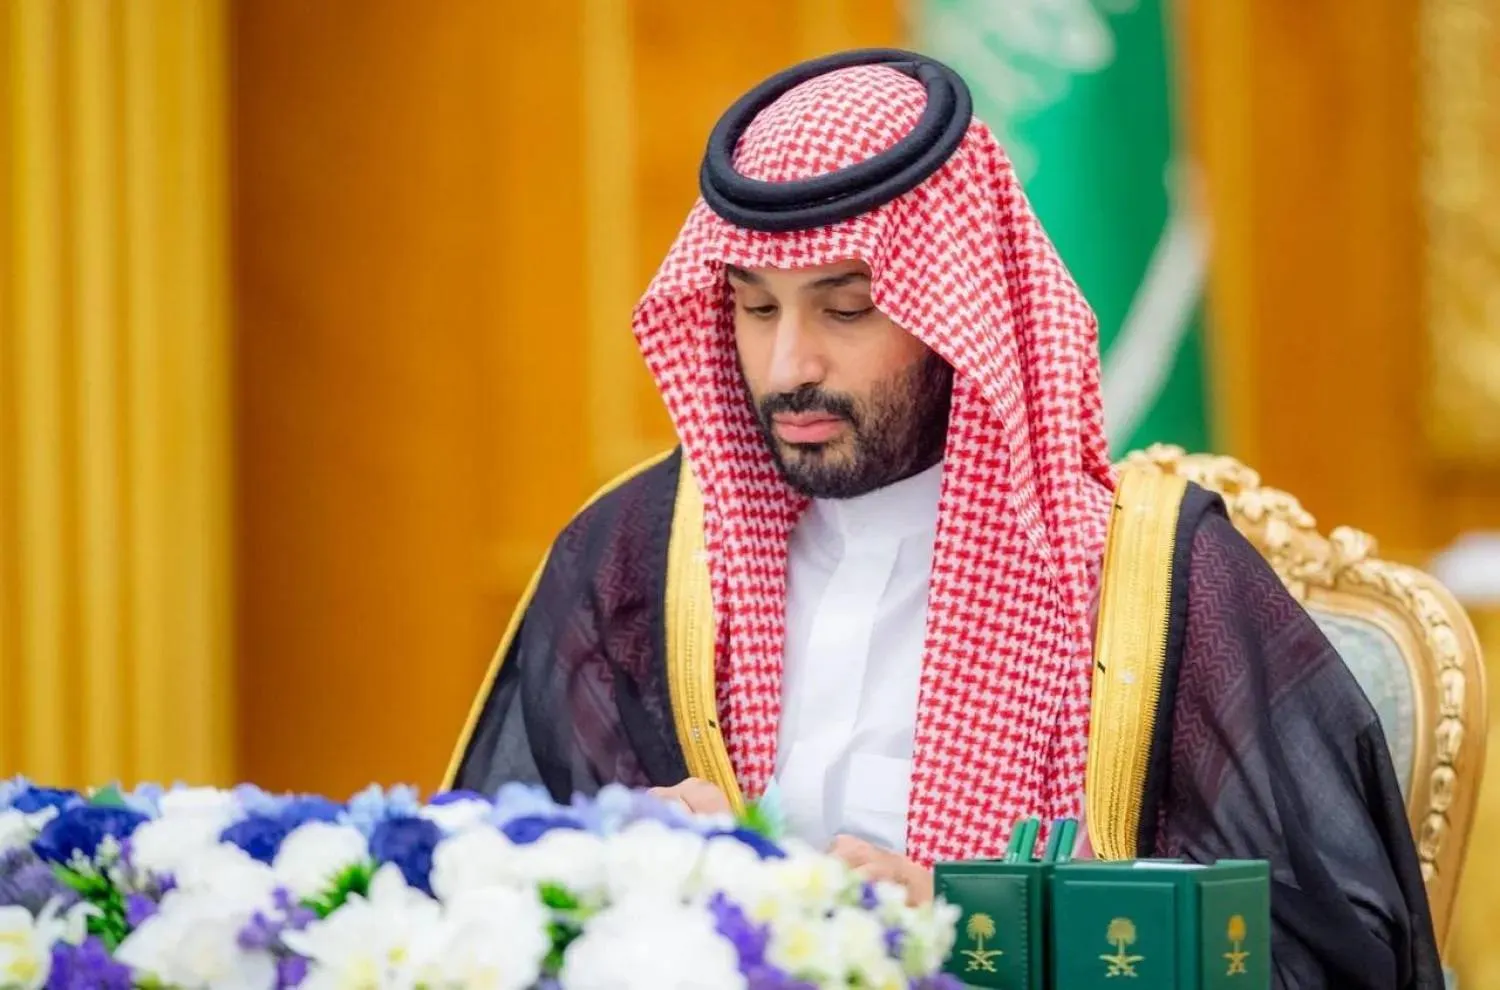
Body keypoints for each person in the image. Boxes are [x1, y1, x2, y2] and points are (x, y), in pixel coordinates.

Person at [444, 49, 1441, 987]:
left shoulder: (1150, 584)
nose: (789, 366)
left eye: (845, 309)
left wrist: (983, 933)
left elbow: (1322, 950)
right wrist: (611, 861)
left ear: (954, 311)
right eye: (756, 308)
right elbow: (477, 894)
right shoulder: (638, 562)